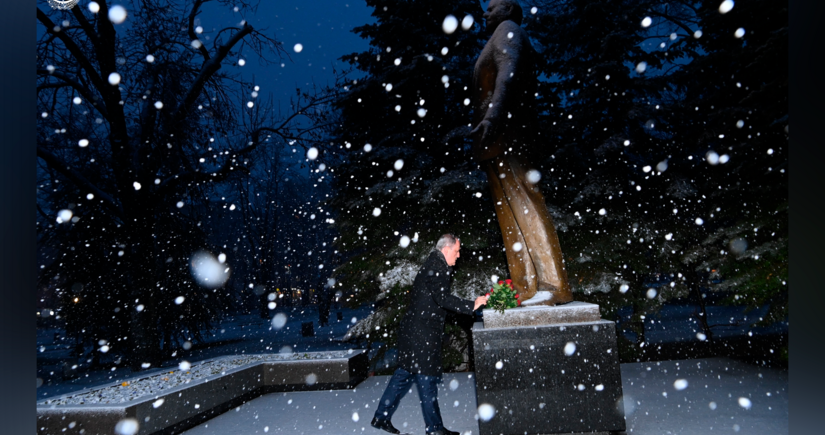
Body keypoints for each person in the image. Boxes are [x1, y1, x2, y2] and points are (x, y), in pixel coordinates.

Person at [470, 0, 573, 306]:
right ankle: (525, 286)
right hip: (497, 139)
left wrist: (493, 116)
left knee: (525, 203)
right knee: (510, 213)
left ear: (508, 9)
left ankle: (553, 284)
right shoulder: (499, 32)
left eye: (492, 7)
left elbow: (508, 74)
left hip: (509, 133)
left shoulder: (508, 30)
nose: (485, 13)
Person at [371, 234, 489, 435]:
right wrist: (472, 305)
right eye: (457, 250)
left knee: (403, 375)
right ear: (446, 250)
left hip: (415, 331)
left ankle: (381, 417)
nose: (459, 255)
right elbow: (442, 299)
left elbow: (437, 301)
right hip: (421, 334)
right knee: (427, 380)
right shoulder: (437, 267)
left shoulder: (435, 264)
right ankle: (434, 429)